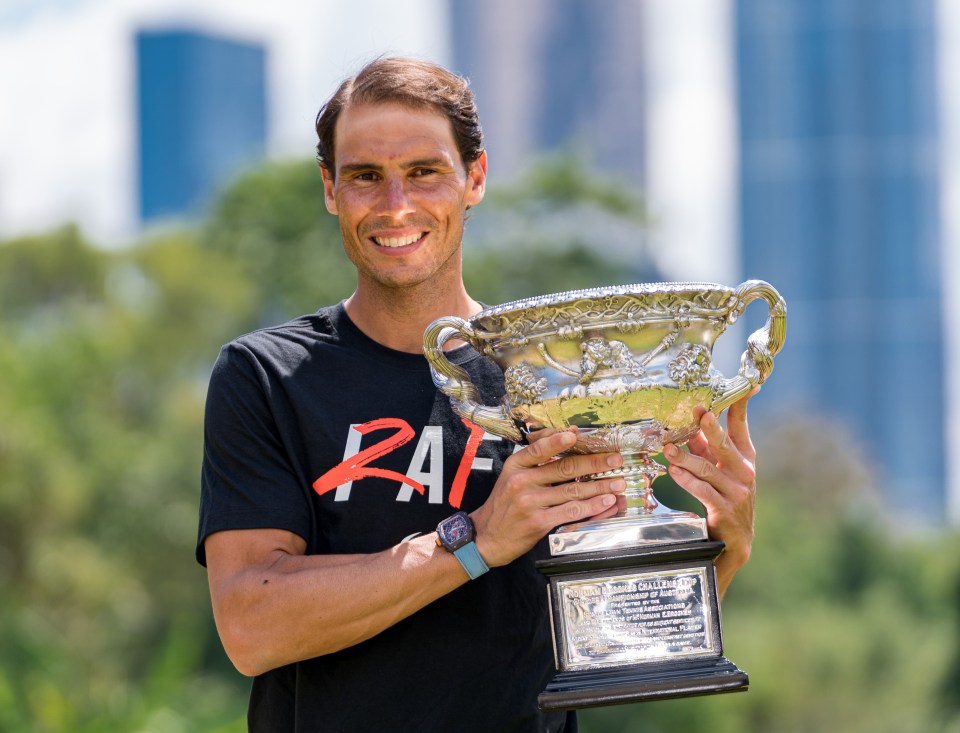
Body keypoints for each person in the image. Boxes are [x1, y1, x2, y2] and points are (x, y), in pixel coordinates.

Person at [197, 56, 760, 733]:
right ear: (330, 189)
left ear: (476, 178)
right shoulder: (267, 376)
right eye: (365, 177)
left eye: (424, 171)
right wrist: (473, 540)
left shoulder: (556, 377)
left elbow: (615, 622)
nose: (395, 205)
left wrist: (722, 548)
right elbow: (252, 626)